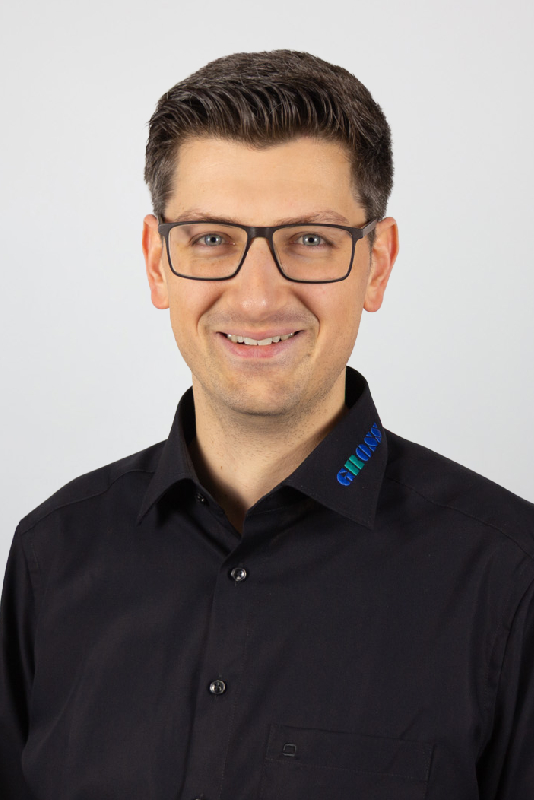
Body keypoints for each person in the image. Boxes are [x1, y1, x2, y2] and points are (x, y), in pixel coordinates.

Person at [1, 48, 533, 800]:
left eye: (310, 239)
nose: (256, 299)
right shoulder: (50, 555)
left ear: (377, 264)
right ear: (157, 261)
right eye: (210, 238)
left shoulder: (511, 578)